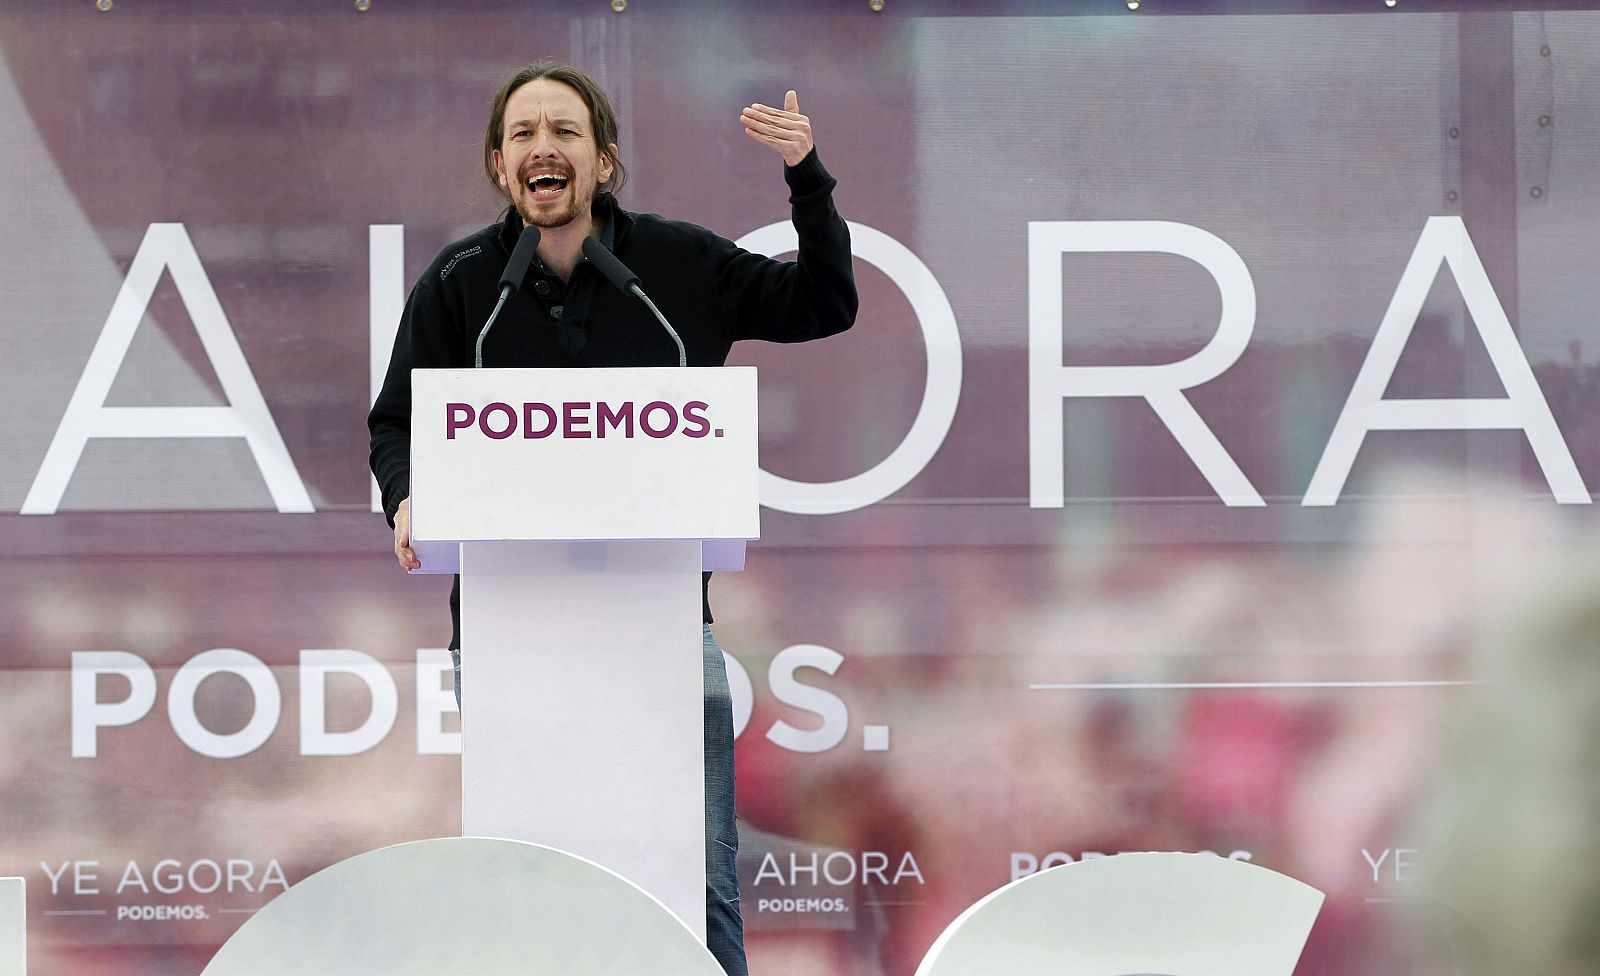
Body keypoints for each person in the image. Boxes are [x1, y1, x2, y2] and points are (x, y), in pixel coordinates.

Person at [367, 60, 858, 976]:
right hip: (511, 643)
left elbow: (825, 304)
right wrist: (407, 495)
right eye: (522, 135)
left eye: (564, 133)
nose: (542, 148)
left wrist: (808, 176)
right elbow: (394, 419)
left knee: (699, 894)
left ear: (604, 161)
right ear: (498, 164)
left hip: (664, 637)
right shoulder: (464, 285)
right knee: (529, 890)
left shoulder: (674, 264)